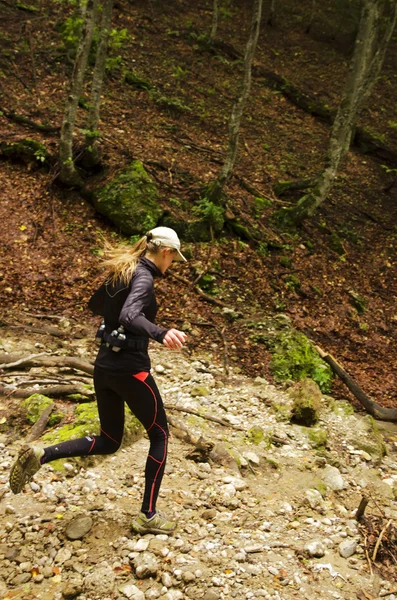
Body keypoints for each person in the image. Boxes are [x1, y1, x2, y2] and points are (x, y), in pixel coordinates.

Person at [9, 226, 188, 535]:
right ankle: (148, 516)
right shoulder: (143, 277)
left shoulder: (124, 270)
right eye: (173, 259)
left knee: (110, 440)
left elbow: (97, 306)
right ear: (166, 253)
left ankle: (43, 454)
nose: (171, 265)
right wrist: (161, 332)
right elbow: (130, 315)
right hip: (132, 370)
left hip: (104, 367)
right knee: (160, 435)